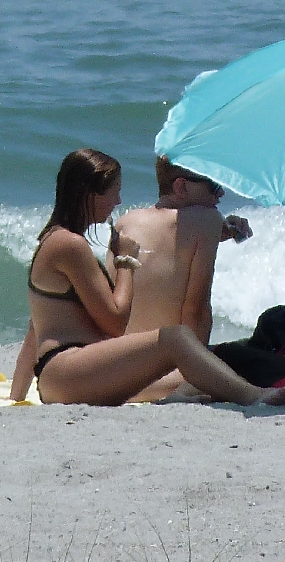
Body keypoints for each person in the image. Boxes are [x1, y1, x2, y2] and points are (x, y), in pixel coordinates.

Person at [8, 149, 285, 407]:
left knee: (204, 362)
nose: (119, 200)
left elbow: (38, 324)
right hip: (69, 371)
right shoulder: (69, 245)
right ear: (91, 195)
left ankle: (207, 388)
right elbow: (115, 321)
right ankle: (254, 397)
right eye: (114, 191)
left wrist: (16, 395)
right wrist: (126, 261)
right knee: (178, 341)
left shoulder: (62, 240)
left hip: (65, 375)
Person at [108, 157, 253, 402]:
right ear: (181, 187)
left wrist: (217, 233)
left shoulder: (126, 222)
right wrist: (200, 370)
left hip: (117, 367)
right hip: (167, 371)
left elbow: (168, 243)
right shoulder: (207, 219)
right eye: (213, 185)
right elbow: (195, 308)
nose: (221, 194)